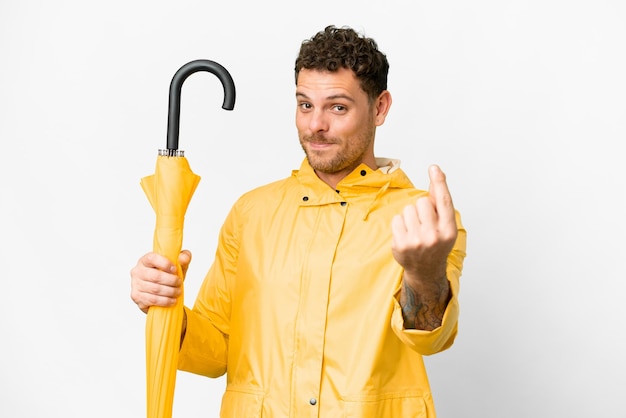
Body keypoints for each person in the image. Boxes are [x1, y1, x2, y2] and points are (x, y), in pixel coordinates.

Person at [131, 25, 467, 417]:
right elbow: (217, 350)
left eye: (337, 107)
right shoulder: (252, 212)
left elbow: (431, 339)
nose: (315, 125)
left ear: (379, 107)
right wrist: (166, 306)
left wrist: (423, 274)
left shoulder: (423, 221)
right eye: (305, 105)